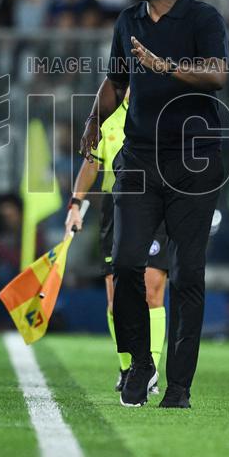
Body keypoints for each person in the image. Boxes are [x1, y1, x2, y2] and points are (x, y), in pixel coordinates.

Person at [80, 0, 229, 408]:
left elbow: (218, 75)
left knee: (187, 274)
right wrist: (93, 119)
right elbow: (117, 81)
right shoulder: (128, 21)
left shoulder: (204, 19)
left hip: (194, 162)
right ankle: (140, 364)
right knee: (125, 264)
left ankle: (179, 386)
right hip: (139, 158)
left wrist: (164, 67)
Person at [66, 87, 168, 395]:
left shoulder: (161, 116)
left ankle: (150, 369)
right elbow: (91, 164)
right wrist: (75, 204)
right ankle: (127, 367)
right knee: (116, 300)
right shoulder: (107, 122)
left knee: (151, 289)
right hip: (117, 208)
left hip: (156, 205)